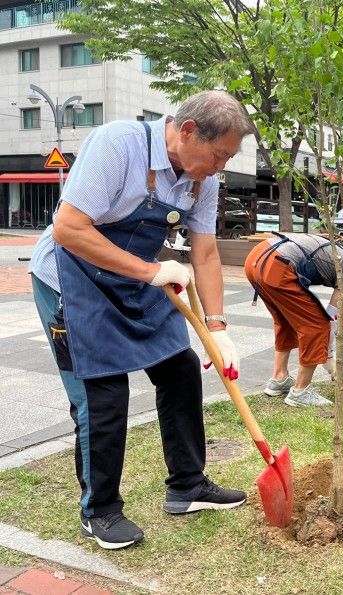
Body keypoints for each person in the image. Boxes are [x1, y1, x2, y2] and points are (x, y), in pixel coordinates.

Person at [28, 90, 255, 550]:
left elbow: (206, 252)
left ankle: (188, 485)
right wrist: (153, 271)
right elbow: (69, 229)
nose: (219, 167)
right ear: (187, 131)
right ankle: (101, 511)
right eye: (218, 155)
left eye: (227, 158)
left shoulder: (201, 178)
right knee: (103, 392)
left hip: (134, 279)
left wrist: (217, 326)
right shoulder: (118, 145)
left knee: (181, 368)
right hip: (71, 279)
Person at [245, 233, 343, 407]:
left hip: (256, 258)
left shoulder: (339, 252)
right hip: (277, 264)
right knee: (317, 326)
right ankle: (300, 392)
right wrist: (328, 353)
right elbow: (332, 315)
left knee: (285, 321)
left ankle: (279, 378)